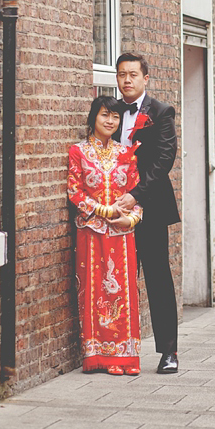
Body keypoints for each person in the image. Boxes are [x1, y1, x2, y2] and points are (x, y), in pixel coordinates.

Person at [113, 52, 180, 374]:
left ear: (145, 79)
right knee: (117, 278)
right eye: (122, 74)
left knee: (157, 277)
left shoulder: (161, 112)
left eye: (133, 75)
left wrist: (135, 196)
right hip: (113, 209)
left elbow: (164, 160)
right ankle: (117, 349)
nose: (127, 80)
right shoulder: (109, 112)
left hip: (150, 207)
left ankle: (169, 352)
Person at [67, 95, 143, 375]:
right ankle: (99, 355)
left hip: (123, 233)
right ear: (93, 118)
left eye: (115, 117)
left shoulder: (127, 153)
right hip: (91, 232)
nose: (110, 121)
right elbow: (75, 191)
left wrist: (131, 218)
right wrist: (104, 211)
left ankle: (125, 356)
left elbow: (137, 194)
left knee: (124, 290)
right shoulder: (78, 152)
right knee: (94, 290)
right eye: (104, 115)